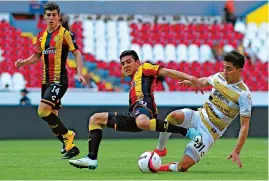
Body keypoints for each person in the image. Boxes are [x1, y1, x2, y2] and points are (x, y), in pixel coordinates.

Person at [68, 50, 204, 170]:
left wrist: (192, 78)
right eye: (122, 64)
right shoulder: (133, 79)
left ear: (137, 62)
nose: (125, 66)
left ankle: (187, 131)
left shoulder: (144, 68)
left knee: (142, 121)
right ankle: (91, 158)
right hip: (133, 113)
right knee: (95, 119)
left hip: (145, 107)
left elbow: (167, 72)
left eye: (128, 62)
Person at [154, 50, 252, 172]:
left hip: (210, 131)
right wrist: (194, 82)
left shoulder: (243, 94)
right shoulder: (219, 77)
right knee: (173, 116)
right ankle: (160, 149)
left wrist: (237, 151)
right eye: (224, 68)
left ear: (239, 70)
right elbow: (206, 80)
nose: (225, 72)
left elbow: (244, 125)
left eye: (229, 69)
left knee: (183, 167)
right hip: (199, 116)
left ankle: (164, 167)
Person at [15, 2, 86, 159]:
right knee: (52, 116)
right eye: (49, 15)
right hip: (46, 81)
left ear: (58, 16)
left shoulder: (65, 34)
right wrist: (23, 62)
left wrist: (79, 73)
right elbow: (36, 57)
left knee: (42, 111)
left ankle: (68, 135)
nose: (51, 17)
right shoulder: (41, 36)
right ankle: (70, 147)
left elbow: (77, 54)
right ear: (44, 17)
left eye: (54, 15)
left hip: (59, 79)